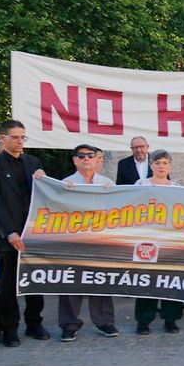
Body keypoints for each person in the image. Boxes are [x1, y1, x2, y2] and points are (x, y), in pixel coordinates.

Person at [0, 120, 48, 346]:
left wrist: (43, 178)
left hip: (33, 235)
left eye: (23, 137)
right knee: (8, 286)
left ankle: (34, 324)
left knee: (35, 283)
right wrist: (9, 232)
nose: (20, 142)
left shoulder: (33, 162)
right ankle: (10, 328)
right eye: (15, 137)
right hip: (7, 237)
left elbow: (44, 195)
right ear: (3, 138)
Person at [58, 144, 118, 341]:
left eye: (90, 155)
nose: (86, 159)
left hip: (100, 241)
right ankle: (69, 325)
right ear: (74, 160)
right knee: (70, 283)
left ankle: (105, 323)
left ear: (96, 159)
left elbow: (118, 212)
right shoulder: (65, 183)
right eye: (81, 156)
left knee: (101, 281)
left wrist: (114, 194)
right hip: (74, 241)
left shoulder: (107, 183)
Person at [134, 150, 184, 334]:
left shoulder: (177, 188)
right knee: (147, 280)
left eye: (164, 162)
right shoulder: (141, 185)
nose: (161, 166)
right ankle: (143, 320)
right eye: (157, 163)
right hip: (147, 239)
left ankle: (170, 318)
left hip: (170, 239)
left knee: (171, 280)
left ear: (169, 165)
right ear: (151, 165)